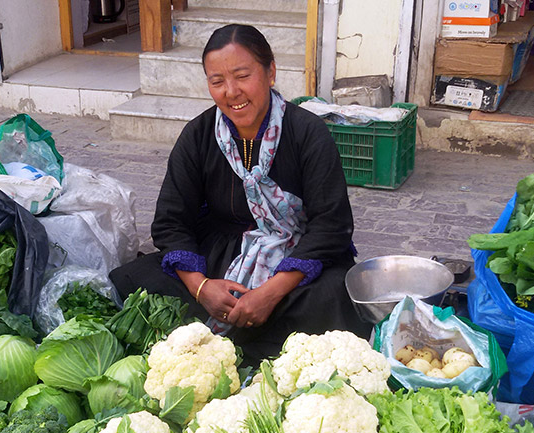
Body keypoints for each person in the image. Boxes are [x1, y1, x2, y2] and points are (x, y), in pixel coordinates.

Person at [109, 24, 371, 365]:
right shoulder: (199, 135)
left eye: (242, 76)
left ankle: (246, 343)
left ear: (270, 72)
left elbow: (331, 226)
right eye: (217, 81)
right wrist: (202, 288)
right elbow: (171, 221)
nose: (231, 92)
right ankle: (249, 341)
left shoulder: (308, 134)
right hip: (221, 258)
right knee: (137, 279)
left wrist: (269, 293)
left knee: (334, 296)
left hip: (296, 264)